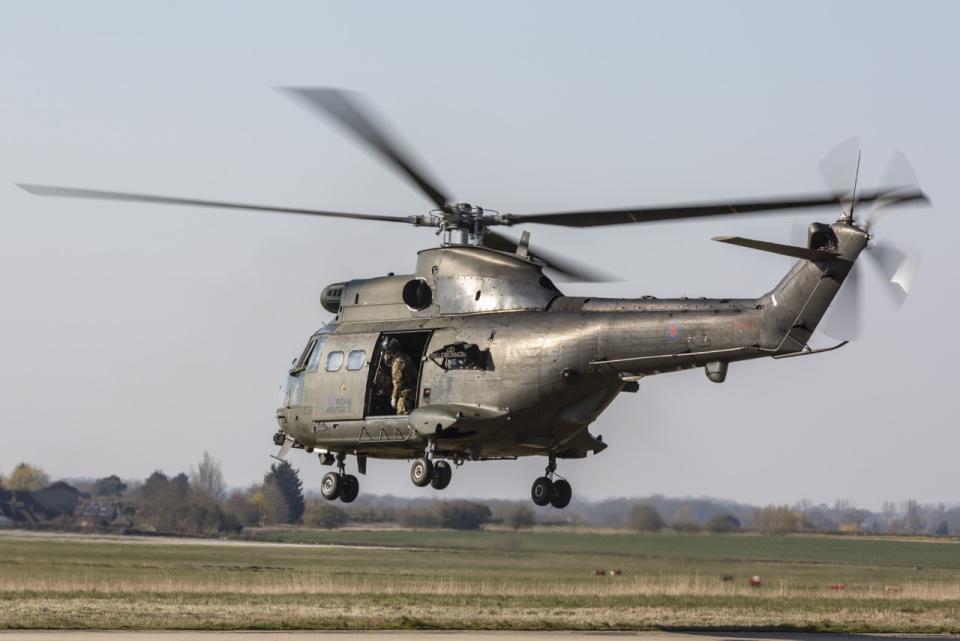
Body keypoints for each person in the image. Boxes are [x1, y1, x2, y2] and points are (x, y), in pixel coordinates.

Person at [381, 337, 415, 415]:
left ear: (390, 351)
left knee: (401, 415)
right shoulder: (405, 357)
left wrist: (394, 398)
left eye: (385, 352)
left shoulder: (397, 363)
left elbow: (398, 383)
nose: (385, 355)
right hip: (412, 393)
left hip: (405, 396)